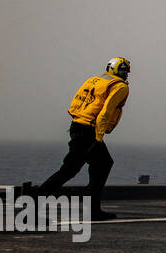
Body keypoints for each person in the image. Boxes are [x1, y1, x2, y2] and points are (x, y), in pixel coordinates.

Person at [35, 57, 131, 221]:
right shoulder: (120, 87)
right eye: (123, 71)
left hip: (77, 126)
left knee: (100, 165)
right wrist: (98, 138)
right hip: (90, 131)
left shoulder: (94, 80)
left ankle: (93, 210)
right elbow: (106, 112)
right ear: (117, 70)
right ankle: (34, 203)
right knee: (71, 170)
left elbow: (76, 102)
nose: (125, 74)